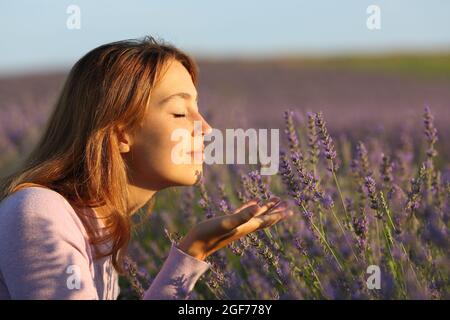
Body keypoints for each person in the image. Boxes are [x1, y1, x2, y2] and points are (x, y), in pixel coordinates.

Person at [0, 36, 293, 299]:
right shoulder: (39, 213)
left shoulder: (99, 227)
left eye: (197, 109)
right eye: (180, 112)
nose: (205, 127)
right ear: (120, 133)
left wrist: (194, 251)